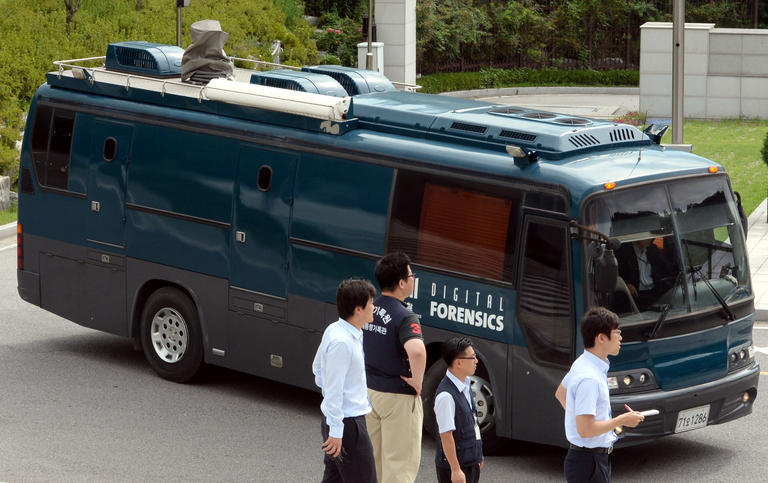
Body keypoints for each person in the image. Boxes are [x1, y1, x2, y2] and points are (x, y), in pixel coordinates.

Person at [554, 307, 645, 483]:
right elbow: (585, 430)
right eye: (617, 332)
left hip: (588, 460)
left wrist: (578, 420)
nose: (621, 337)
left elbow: (561, 393)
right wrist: (622, 420)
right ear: (601, 338)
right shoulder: (590, 378)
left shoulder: (584, 363)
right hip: (589, 462)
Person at [363, 251, 426, 483]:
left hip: (369, 392)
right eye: (411, 275)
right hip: (398, 397)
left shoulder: (368, 308)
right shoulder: (405, 316)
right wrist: (418, 381)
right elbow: (418, 351)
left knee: (374, 464)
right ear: (402, 283)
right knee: (398, 469)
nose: (413, 279)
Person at [312, 278, 378, 483]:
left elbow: (317, 370)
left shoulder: (337, 330)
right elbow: (333, 389)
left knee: (334, 479)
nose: (374, 307)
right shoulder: (342, 342)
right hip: (348, 426)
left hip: (341, 422)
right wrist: (337, 430)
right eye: (371, 303)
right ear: (358, 309)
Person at [434, 337, 483, 483]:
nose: (476, 361)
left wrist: (478, 455)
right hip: (457, 468)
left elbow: (473, 422)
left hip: (471, 462)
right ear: (459, 362)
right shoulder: (446, 396)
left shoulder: (465, 385)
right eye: (472, 357)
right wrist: (455, 469)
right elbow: (446, 434)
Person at [615, 238, 674, 310]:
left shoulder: (653, 249)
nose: (650, 238)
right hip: (635, 295)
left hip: (654, 293)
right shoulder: (623, 251)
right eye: (646, 236)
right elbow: (616, 273)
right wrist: (626, 284)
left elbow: (665, 269)